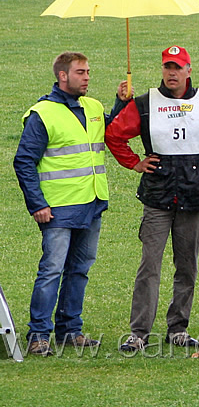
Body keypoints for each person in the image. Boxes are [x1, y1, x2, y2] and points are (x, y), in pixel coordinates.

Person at [105, 45, 199, 352]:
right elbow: (114, 135)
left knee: (187, 267)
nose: (172, 73)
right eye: (167, 67)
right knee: (150, 266)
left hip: (192, 193)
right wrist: (134, 162)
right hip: (158, 195)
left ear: (189, 70)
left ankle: (178, 328)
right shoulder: (144, 104)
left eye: (178, 68)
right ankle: (139, 333)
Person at [14, 51, 131, 356]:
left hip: (92, 203)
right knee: (52, 270)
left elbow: (109, 132)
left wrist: (121, 103)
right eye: (81, 72)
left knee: (80, 269)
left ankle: (70, 330)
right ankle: (38, 334)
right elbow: (24, 161)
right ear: (62, 76)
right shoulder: (42, 113)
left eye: (88, 71)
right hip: (58, 208)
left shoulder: (92, 106)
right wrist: (37, 204)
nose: (87, 77)